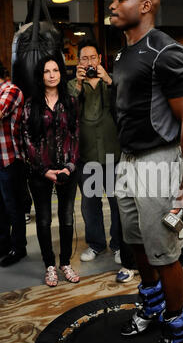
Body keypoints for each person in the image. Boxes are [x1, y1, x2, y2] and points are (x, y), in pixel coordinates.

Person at [110, 0, 183, 343]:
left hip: (159, 162)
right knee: (135, 243)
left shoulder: (166, 51)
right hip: (128, 160)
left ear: (146, 5)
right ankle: (151, 303)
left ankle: (178, 331)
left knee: (164, 253)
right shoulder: (124, 53)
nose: (112, 6)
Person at [21, 56, 80, 287]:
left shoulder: (71, 101)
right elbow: (27, 139)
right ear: (41, 75)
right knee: (44, 220)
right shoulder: (31, 104)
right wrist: (44, 169)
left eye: (56, 70)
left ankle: (65, 262)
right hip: (40, 172)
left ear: (61, 74)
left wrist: (69, 166)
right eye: (47, 71)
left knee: (66, 218)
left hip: (67, 169)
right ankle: (50, 266)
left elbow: (75, 135)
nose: (52, 74)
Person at [67, 40, 125, 271]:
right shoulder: (73, 84)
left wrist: (109, 80)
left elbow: (124, 103)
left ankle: (119, 244)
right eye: (84, 58)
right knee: (90, 205)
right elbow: (68, 109)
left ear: (100, 59)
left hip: (112, 152)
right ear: (78, 62)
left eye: (93, 58)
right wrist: (80, 83)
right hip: (87, 154)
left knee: (117, 203)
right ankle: (96, 244)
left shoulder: (111, 81)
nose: (89, 62)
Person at [0, 62, 27, 267]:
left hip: (10, 159)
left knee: (13, 207)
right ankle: (3, 244)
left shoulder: (11, 90)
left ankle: (19, 247)